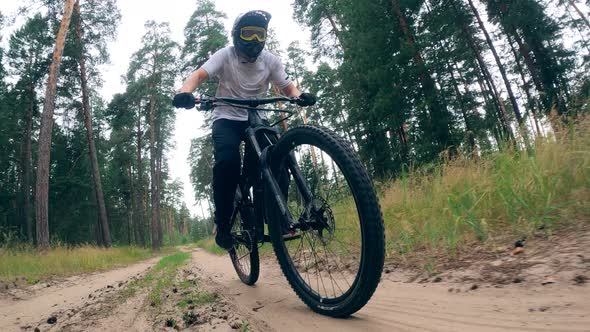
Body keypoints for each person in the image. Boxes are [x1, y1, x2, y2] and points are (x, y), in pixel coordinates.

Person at [172, 10, 316, 250]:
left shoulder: (271, 61)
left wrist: (299, 96)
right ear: (237, 35)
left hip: (256, 118)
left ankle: (276, 217)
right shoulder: (225, 56)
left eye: (260, 35)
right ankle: (224, 223)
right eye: (248, 34)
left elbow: (289, 87)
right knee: (227, 163)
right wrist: (184, 91)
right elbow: (198, 75)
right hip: (226, 117)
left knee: (276, 159)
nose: (254, 40)